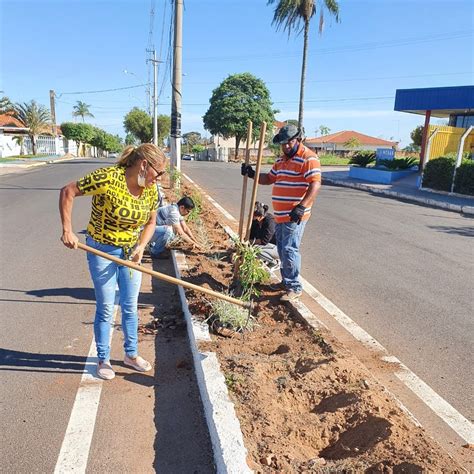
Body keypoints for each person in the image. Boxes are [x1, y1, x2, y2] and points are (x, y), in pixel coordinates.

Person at [59, 144, 166, 380]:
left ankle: (131, 354)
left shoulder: (150, 190)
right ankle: (103, 358)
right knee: (107, 306)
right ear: (144, 165)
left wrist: (140, 247)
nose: (159, 179)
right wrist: (68, 230)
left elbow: (150, 223)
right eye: (158, 173)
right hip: (101, 250)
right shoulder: (108, 178)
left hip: (130, 254)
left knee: (130, 305)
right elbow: (68, 191)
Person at [241, 124, 321, 301]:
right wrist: (252, 174)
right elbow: (269, 179)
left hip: (295, 215)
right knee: (281, 249)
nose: (285, 146)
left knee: (289, 249)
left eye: (289, 143)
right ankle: (286, 281)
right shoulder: (281, 160)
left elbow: (315, 184)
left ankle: (294, 286)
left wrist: (301, 206)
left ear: (298, 140)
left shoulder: (309, 158)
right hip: (280, 214)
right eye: (282, 143)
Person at [249, 201, 280, 271]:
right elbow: (251, 236)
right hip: (268, 246)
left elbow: (264, 241)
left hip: (278, 248)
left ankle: (275, 262)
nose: (253, 218)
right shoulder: (256, 222)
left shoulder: (270, 222)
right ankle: (266, 258)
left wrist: (249, 242)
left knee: (256, 249)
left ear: (260, 216)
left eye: (254, 216)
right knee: (252, 247)